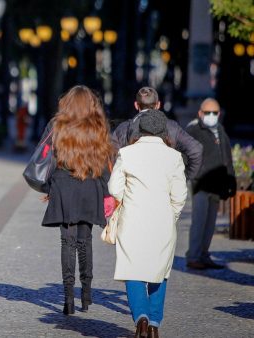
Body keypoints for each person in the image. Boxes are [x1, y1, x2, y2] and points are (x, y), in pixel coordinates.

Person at [108, 110, 188, 338]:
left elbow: (114, 188)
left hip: (132, 220)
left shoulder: (126, 153)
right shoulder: (174, 157)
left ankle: (141, 317)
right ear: (164, 131)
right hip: (162, 222)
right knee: (159, 271)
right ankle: (154, 323)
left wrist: (128, 199)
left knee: (133, 270)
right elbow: (180, 195)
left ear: (140, 129)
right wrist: (170, 215)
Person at [39, 85, 115, 315]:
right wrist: (106, 193)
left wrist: (49, 187)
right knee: (85, 240)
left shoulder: (57, 125)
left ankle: (68, 298)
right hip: (90, 186)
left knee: (67, 242)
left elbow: (46, 159)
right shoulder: (98, 126)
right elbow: (103, 163)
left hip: (64, 186)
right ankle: (86, 295)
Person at [185, 98, 236, 270]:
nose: (211, 116)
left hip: (217, 184)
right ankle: (193, 256)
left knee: (210, 223)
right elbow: (186, 155)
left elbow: (226, 157)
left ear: (219, 114)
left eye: (215, 113)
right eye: (208, 113)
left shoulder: (220, 129)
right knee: (199, 221)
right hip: (201, 184)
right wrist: (194, 174)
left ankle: (204, 255)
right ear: (200, 113)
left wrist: (231, 180)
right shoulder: (193, 130)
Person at [111, 87, 203, 180]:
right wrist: (184, 177)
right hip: (164, 188)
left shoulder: (123, 129)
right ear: (158, 104)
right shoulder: (172, 127)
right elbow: (196, 150)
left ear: (136, 105)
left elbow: (112, 158)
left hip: (133, 188)